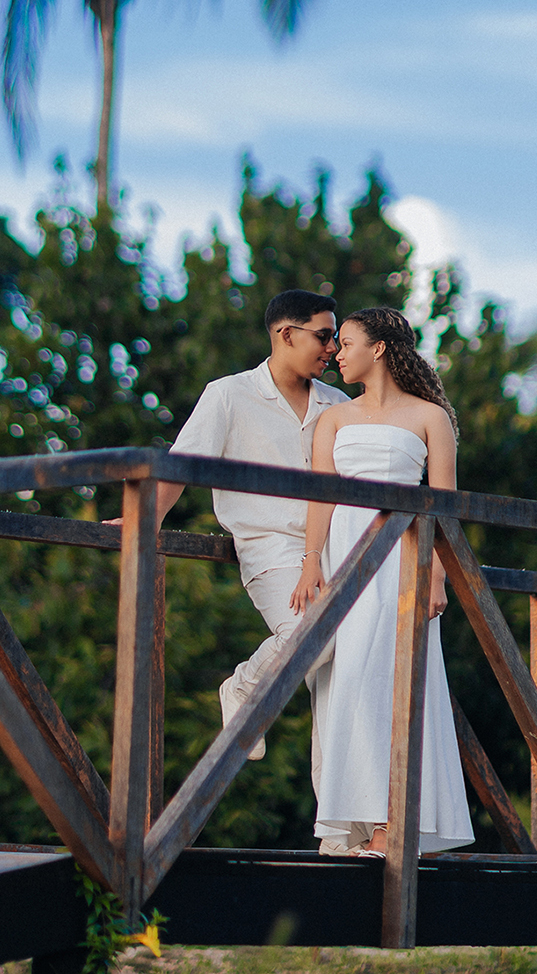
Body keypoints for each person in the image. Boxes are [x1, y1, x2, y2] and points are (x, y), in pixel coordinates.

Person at [155, 288, 355, 850]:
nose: (332, 346)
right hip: (269, 548)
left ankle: (339, 834)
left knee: (341, 682)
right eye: (323, 335)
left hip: (335, 550)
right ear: (284, 334)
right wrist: (146, 521)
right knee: (316, 639)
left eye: (335, 335)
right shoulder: (228, 395)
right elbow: (183, 463)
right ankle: (245, 685)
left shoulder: (336, 403)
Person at [290, 305, 474, 859]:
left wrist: (437, 576)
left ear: (379, 350)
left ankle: (396, 827)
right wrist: (309, 561)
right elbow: (321, 493)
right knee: (354, 683)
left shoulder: (429, 418)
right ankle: (368, 823)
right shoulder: (335, 420)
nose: (335, 353)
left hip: (403, 563)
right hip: (349, 561)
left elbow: (444, 508)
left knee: (400, 684)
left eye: (345, 343)